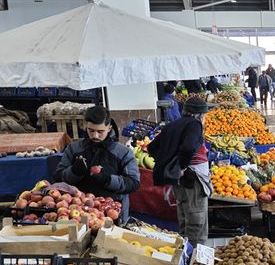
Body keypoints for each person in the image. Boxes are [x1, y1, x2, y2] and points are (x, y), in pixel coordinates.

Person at [54, 106, 140, 222]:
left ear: (109, 128)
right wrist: (74, 172)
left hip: (112, 215)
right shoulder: (73, 149)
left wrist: (107, 179)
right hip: (79, 214)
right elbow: (58, 178)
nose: (95, 135)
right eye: (91, 130)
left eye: (100, 132)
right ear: (85, 126)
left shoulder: (123, 152)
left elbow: (133, 183)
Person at [147, 98, 212, 246]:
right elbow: (189, 148)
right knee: (197, 218)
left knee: (184, 215)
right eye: (204, 115)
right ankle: (194, 255)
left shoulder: (172, 125)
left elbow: (152, 147)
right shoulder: (195, 124)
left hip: (180, 181)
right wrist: (181, 166)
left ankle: (184, 250)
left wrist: (171, 164)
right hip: (193, 179)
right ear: (199, 115)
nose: (205, 119)